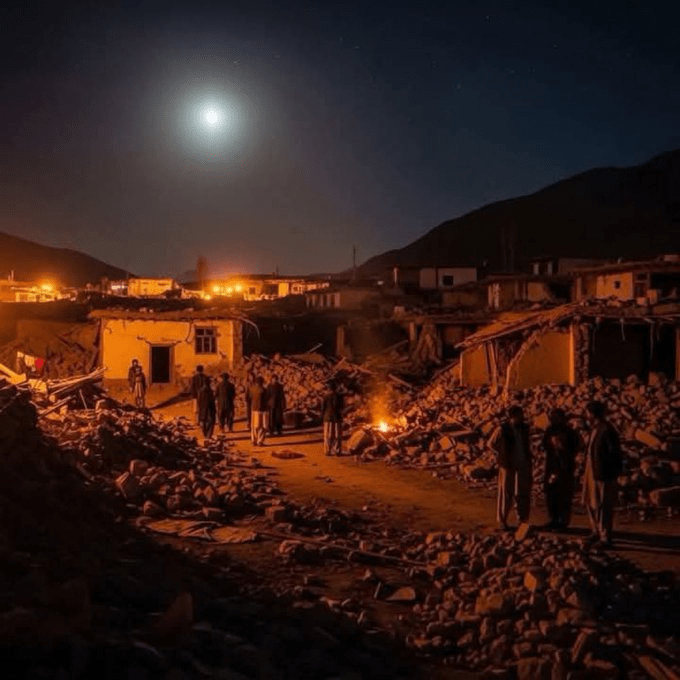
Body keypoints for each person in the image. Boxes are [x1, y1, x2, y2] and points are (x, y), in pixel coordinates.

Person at [582, 400, 622, 547]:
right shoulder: (595, 429)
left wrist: (611, 472)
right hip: (592, 470)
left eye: (587, 413)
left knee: (603, 505)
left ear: (592, 414)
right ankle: (596, 531)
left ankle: (605, 536)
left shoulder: (607, 430)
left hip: (602, 473)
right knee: (591, 502)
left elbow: (614, 453)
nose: (586, 415)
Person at [492, 405, 533, 530]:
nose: (520, 418)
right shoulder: (502, 429)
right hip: (507, 466)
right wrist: (500, 455)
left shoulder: (524, 428)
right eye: (517, 416)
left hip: (522, 464)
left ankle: (522, 519)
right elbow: (491, 443)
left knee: (522, 493)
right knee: (506, 493)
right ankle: (502, 520)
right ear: (511, 417)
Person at [541, 408, 580, 531]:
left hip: (565, 467)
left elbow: (574, 448)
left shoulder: (569, 432)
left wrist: (561, 446)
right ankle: (553, 519)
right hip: (551, 465)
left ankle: (562, 521)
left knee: (563, 495)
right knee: (551, 493)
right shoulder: (550, 430)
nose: (552, 419)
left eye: (555, 417)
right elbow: (544, 445)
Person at [321, 380, 344, 456]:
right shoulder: (339, 396)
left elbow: (323, 408)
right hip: (337, 417)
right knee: (337, 435)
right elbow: (342, 407)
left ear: (328, 388)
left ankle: (328, 450)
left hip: (328, 417)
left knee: (328, 435)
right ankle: (337, 450)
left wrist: (322, 416)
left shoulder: (325, 396)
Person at [248, 376, 268, 446]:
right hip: (263, 410)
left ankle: (253, 440)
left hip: (254, 409)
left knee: (254, 426)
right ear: (262, 382)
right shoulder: (264, 390)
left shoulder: (252, 389)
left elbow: (249, 398)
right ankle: (260, 441)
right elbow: (267, 399)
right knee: (262, 426)